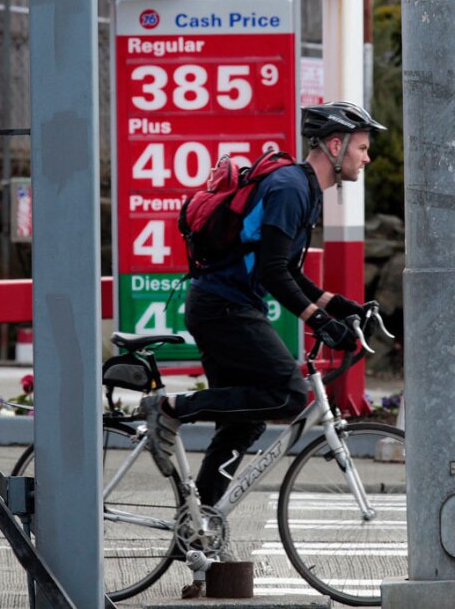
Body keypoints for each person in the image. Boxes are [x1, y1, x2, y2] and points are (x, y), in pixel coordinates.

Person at [140, 101, 386, 507]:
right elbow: (273, 272)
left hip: (222, 305)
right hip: (224, 307)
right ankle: (169, 407)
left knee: (244, 422)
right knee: (289, 394)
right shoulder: (290, 188)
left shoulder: (302, 190)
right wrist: (319, 321)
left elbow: (287, 269)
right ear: (336, 145)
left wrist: (341, 306)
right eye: (362, 147)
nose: (367, 157)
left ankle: (198, 523)